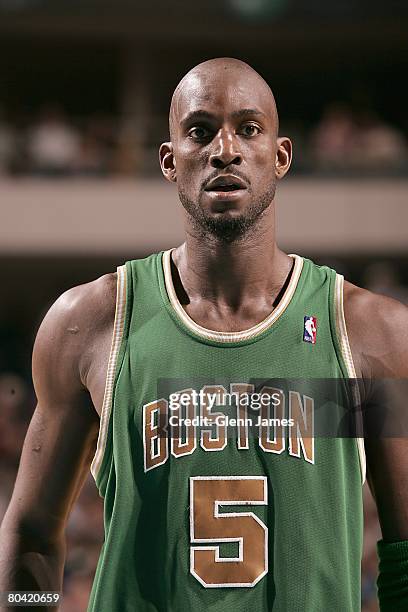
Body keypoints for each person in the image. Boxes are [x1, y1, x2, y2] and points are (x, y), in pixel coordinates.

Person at [0, 58, 407, 612]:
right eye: (200, 131)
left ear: (280, 156)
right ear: (170, 161)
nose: (225, 150)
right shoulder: (92, 323)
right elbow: (31, 535)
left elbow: (404, 550)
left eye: (248, 128)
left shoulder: (367, 332)